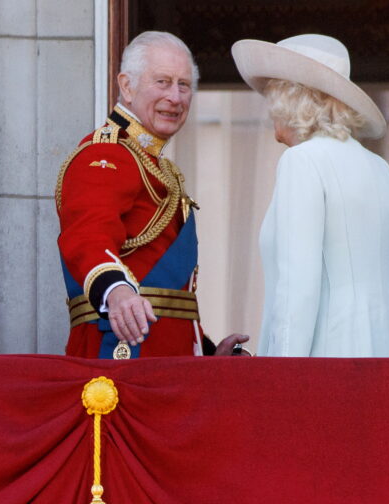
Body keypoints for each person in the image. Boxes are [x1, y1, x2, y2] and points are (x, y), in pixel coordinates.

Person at [55, 31, 247, 358]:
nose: (175, 97)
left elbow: (165, 293)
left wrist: (209, 351)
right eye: (162, 82)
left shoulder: (152, 164)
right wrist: (115, 291)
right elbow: (87, 236)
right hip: (122, 356)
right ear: (127, 86)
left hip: (167, 362)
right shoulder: (105, 156)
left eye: (184, 85)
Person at [231, 34, 389, 357]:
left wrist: (282, 377)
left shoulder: (302, 161)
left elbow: (298, 288)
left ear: (287, 99)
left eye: (271, 95)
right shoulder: (378, 168)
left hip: (330, 354)